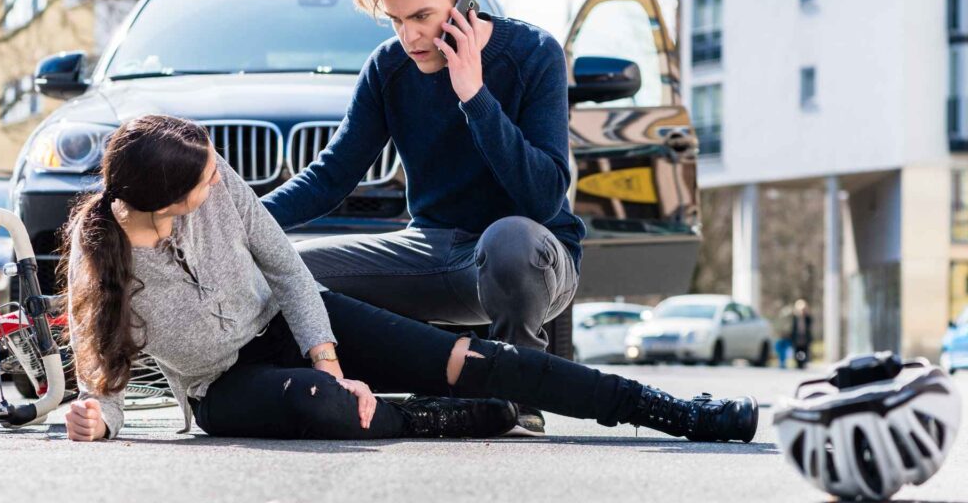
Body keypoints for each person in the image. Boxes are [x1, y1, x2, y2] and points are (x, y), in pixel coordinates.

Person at [62, 115, 758, 444]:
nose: (218, 181)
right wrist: (98, 420)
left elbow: (289, 271)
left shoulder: (217, 186)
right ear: (163, 196)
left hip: (291, 324)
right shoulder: (103, 261)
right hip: (224, 387)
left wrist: (329, 358)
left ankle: (670, 411)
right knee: (322, 405)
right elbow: (106, 378)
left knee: (480, 358)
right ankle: (439, 419)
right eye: (204, 179)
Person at [260, 0, 585, 436]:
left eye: (421, 17)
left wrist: (475, 96)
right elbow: (330, 177)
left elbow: (543, 197)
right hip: (432, 252)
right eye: (395, 21)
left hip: (531, 259)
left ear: (464, 2)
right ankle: (377, 381)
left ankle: (517, 392)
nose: (408, 36)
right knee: (287, 269)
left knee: (510, 238)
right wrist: (239, 222)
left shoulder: (534, 53)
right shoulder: (388, 68)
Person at [790, 299, 813, 370]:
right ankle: (798, 363)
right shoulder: (795, 318)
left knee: (804, 350)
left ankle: (803, 362)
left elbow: (809, 327)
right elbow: (793, 328)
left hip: (805, 337)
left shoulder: (807, 318)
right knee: (797, 350)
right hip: (797, 337)